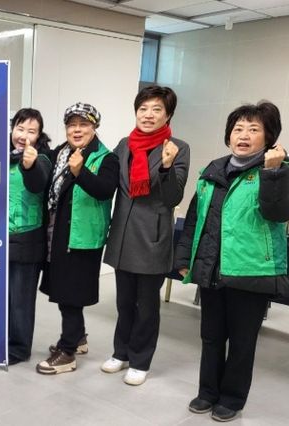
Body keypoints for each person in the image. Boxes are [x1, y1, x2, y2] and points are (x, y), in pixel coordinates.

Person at [174, 101, 289, 422]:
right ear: (228, 135)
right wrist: (184, 258)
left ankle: (232, 398)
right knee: (211, 336)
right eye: (238, 129)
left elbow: (278, 213)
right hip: (213, 268)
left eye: (254, 129)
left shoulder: (279, 170)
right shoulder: (213, 170)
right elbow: (195, 218)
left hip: (252, 271)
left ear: (269, 137)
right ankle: (207, 391)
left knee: (242, 342)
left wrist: (273, 173)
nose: (244, 135)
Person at [103, 85, 190, 386]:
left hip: (152, 238)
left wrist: (166, 166)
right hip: (123, 237)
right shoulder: (124, 144)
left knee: (146, 306)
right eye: (143, 109)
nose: (148, 115)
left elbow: (173, 196)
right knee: (124, 302)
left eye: (156, 110)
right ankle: (121, 352)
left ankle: (140, 360)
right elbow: (110, 182)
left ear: (168, 115)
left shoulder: (177, 147)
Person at [36, 103, 119, 374]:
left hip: (82, 237)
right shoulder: (61, 152)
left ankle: (68, 352)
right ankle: (79, 337)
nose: (77, 130)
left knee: (71, 294)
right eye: (72, 125)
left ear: (94, 127)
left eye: (84, 124)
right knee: (63, 290)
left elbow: (105, 190)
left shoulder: (106, 158)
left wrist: (80, 171)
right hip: (58, 232)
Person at [5, 108, 52, 365]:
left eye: (31, 131)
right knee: (0, 297)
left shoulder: (41, 158)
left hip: (27, 239)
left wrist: (29, 164)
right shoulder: (0, 155)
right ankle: (0, 340)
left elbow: (38, 183)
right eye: (20, 128)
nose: (24, 136)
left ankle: (19, 349)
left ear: (39, 135)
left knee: (21, 301)